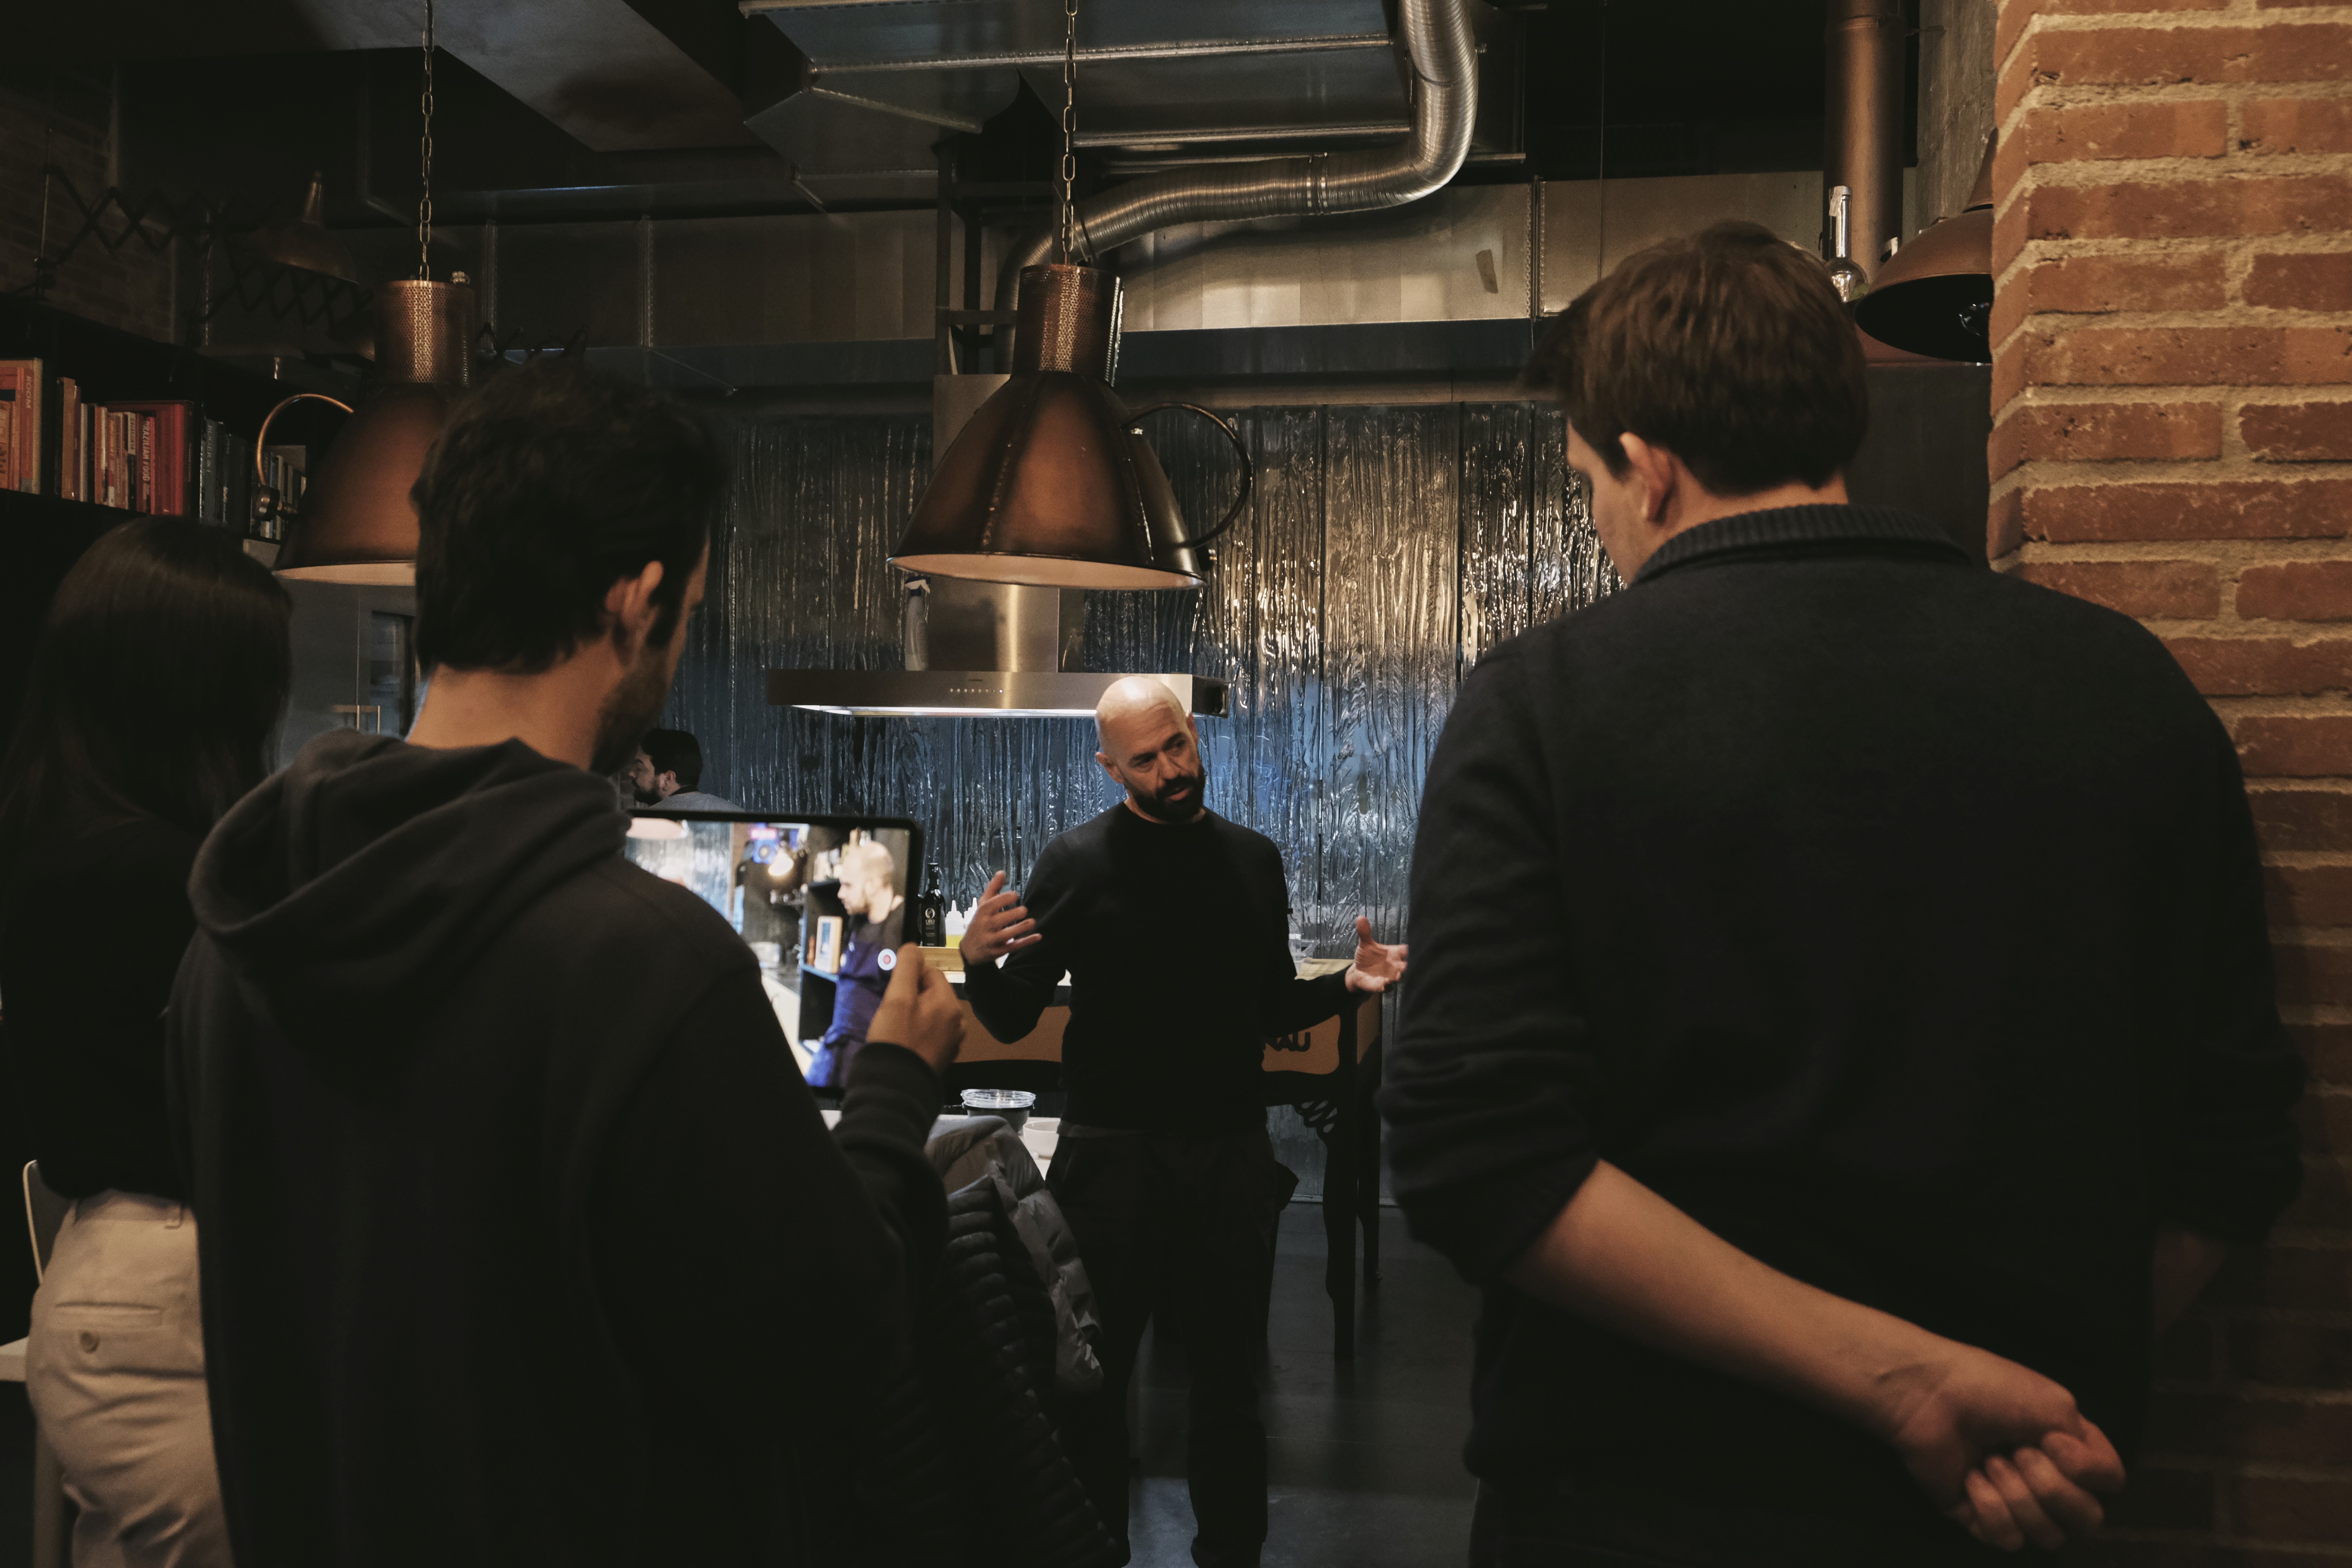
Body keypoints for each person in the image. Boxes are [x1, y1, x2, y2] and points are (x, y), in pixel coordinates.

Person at [1378, 220, 2306, 1565]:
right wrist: (2015, 1404)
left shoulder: (1545, 701)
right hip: (2009, 1505)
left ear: (1648, 470)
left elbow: (1477, 1159)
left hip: (1635, 1509)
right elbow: (2235, 1149)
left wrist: (1909, 1388)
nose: (1598, 522)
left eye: (1585, 485)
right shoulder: (2127, 686)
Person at [165, 362, 968, 1568]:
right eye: (689, 612)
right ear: (634, 602)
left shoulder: (234, 938)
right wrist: (898, 1081)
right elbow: (821, 1349)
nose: (677, 646)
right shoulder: (646, 966)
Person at [958, 675, 1407, 1568]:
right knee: (1091, 1380)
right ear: (1108, 766)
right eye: (1144, 759)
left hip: (1228, 1154)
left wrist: (1346, 989)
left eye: (1176, 746)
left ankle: (1230, 1554)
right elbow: (1011, 1017)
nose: (1169, 768)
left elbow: (1267, 1004)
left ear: (1191, 732)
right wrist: (977, 960)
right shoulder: (1076, 863)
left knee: (1230, 1389)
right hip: (1110, 1158)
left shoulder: (1250, 859)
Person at [0, 518, 291, 1568]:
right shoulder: (165, 877)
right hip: (170, 1298)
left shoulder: (64, 843)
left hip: (112, 1282)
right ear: (199, 690)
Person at [806, 839, 905, 1089]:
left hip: (871, 1061)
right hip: (836, 1047)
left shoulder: (901, 926)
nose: (840, 894)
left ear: (871, 885)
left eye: (848, 885)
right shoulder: (859, 921)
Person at [630, 727, 740, 810]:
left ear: (668, 778)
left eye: (639, 768)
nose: (631, 773)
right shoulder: (735, 814)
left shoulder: (645, 822)